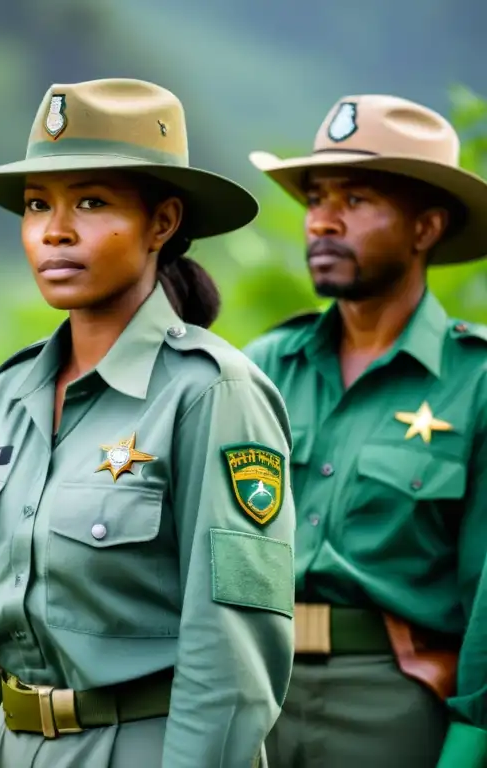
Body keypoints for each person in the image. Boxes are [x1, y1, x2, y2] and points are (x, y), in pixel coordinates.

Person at [0, 77, 296, 768]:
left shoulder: (211, 393)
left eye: (91, 202)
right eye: (38, 205)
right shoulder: (4, 393)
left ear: (163, 222)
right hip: (1, 747)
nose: (55, 230)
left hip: (139, 747)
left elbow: (233, 661)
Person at [244, 94, 487, 768]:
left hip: (392, 702)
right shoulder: (263, 367)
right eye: (317, 198)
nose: (320, 221)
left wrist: (471, 744)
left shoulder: (476, 381)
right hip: (253, 687)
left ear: (426, 228)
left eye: (355, 201)